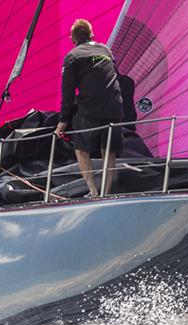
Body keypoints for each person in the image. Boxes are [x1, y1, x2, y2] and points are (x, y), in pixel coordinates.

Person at [55, 19, 123, 197]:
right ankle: (106, 193)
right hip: (115, 107)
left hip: (90, 110)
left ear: (72, 39)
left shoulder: (73, 56)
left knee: (81, 149)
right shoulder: (106, 50)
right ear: (91, 35)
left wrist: (63, 120)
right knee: (108, 151)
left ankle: (93, 192)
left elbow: (67, 92)